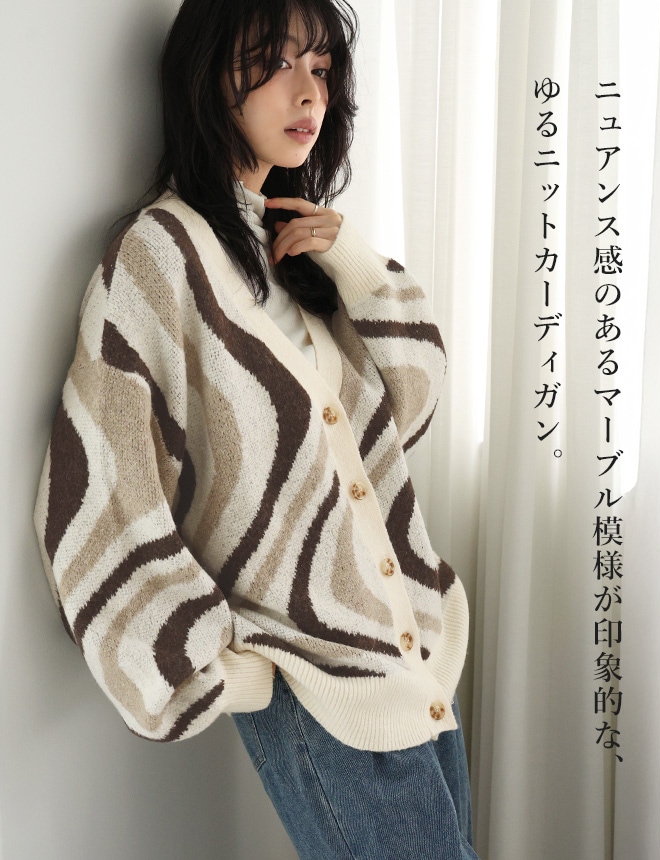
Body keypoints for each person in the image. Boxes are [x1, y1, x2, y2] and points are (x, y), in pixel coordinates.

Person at [34, 1, 479, 857]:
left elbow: (414, 399)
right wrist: (217, 668)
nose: (308, 92)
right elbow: (98, 486)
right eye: (276, 63)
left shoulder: (294, 246)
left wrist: (350, 259)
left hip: (418, 659)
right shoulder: (159, 254)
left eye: (321, 68)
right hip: (318, 686)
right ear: (211, 78)